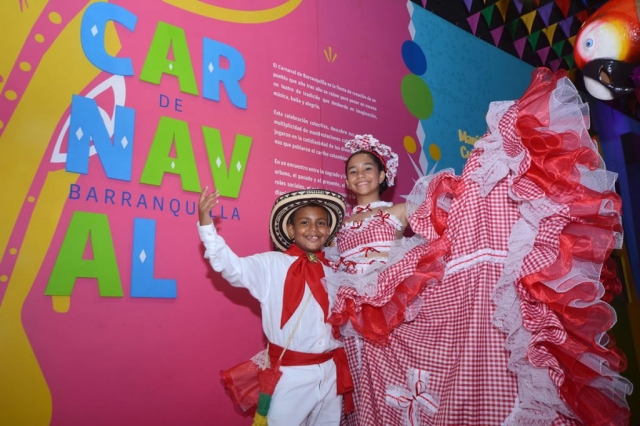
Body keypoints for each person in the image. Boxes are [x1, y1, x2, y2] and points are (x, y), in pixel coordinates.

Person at [328, 68, 632, 425]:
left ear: (382, 176)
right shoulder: (339, 224)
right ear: (347, 181)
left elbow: (446, 222)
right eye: (353, 170)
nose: (360, 175)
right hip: (354, 321)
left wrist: (479, 179)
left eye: (367, 168)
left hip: (389, 311)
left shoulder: (398, 210)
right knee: (363, 389)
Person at [197, 187, 353, 426]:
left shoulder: (333, 271)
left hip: (331, 371)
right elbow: (231, 267)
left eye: (321, 223)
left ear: (329, 230)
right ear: (291, 230)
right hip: (291, 374)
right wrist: (206, 224)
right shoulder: (271, 265)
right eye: (304, 222)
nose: (313, 229)